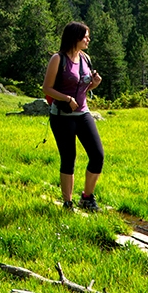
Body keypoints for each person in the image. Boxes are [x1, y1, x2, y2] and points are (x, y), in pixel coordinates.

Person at [42, 21, 104, 211]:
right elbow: (47, 88)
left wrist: (94, 84)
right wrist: (67, 98)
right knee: (69, 158)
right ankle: (67, 203)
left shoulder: (85, 58)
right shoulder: (57, 59)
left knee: (97, 155)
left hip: (82, 113)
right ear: (75, 38)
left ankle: (86, 198)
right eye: (85, 36)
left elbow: (84, 87)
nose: (88, 39)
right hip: (62, 116)